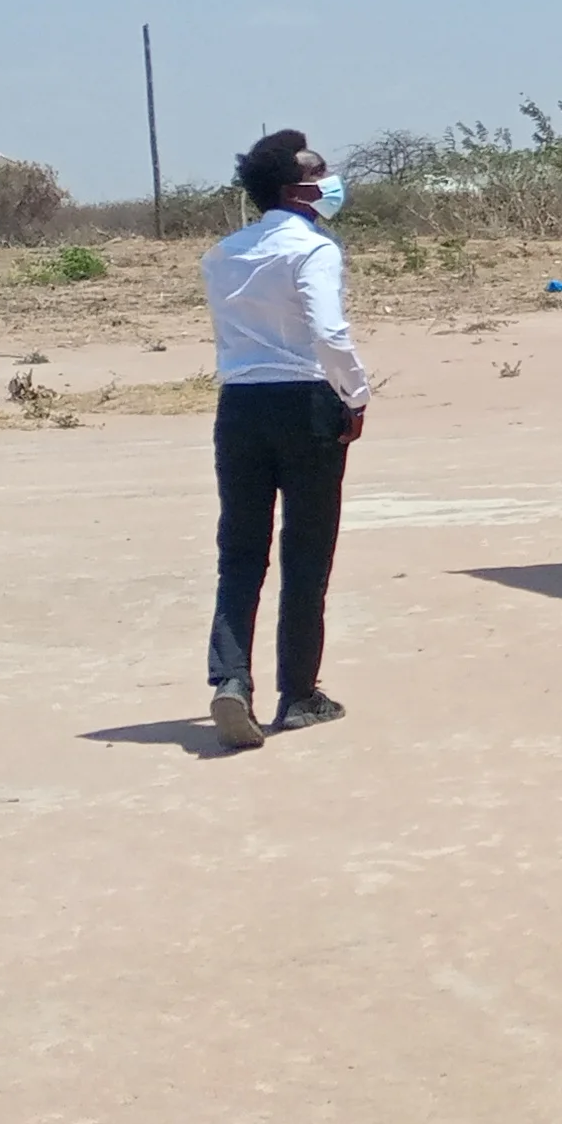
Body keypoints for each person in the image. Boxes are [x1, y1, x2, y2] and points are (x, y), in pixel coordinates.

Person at [200, 129, 370, 748]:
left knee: (240, 553)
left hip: (239, 406)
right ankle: (298, 693)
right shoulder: (313, 249)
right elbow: (329, 330)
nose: (330, 182)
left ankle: (230, 680)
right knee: (306, 552)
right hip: (306, 402)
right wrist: (355, 394)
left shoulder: (221, 255)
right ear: (293, 189)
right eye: (320, 173)